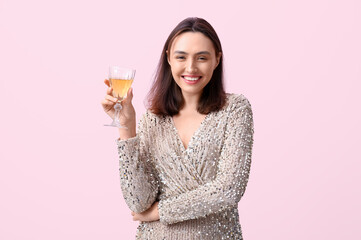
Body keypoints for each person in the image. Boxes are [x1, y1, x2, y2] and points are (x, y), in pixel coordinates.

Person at [101, 17, 254, 240]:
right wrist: (126, 127)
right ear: (169, 59)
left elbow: (229, 190)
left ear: (217, 59)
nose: (191, 67)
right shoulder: (152, 119)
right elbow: (138, 202)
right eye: (181, 57)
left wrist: (161, 211)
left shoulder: (235, 110)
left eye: (202, 57)